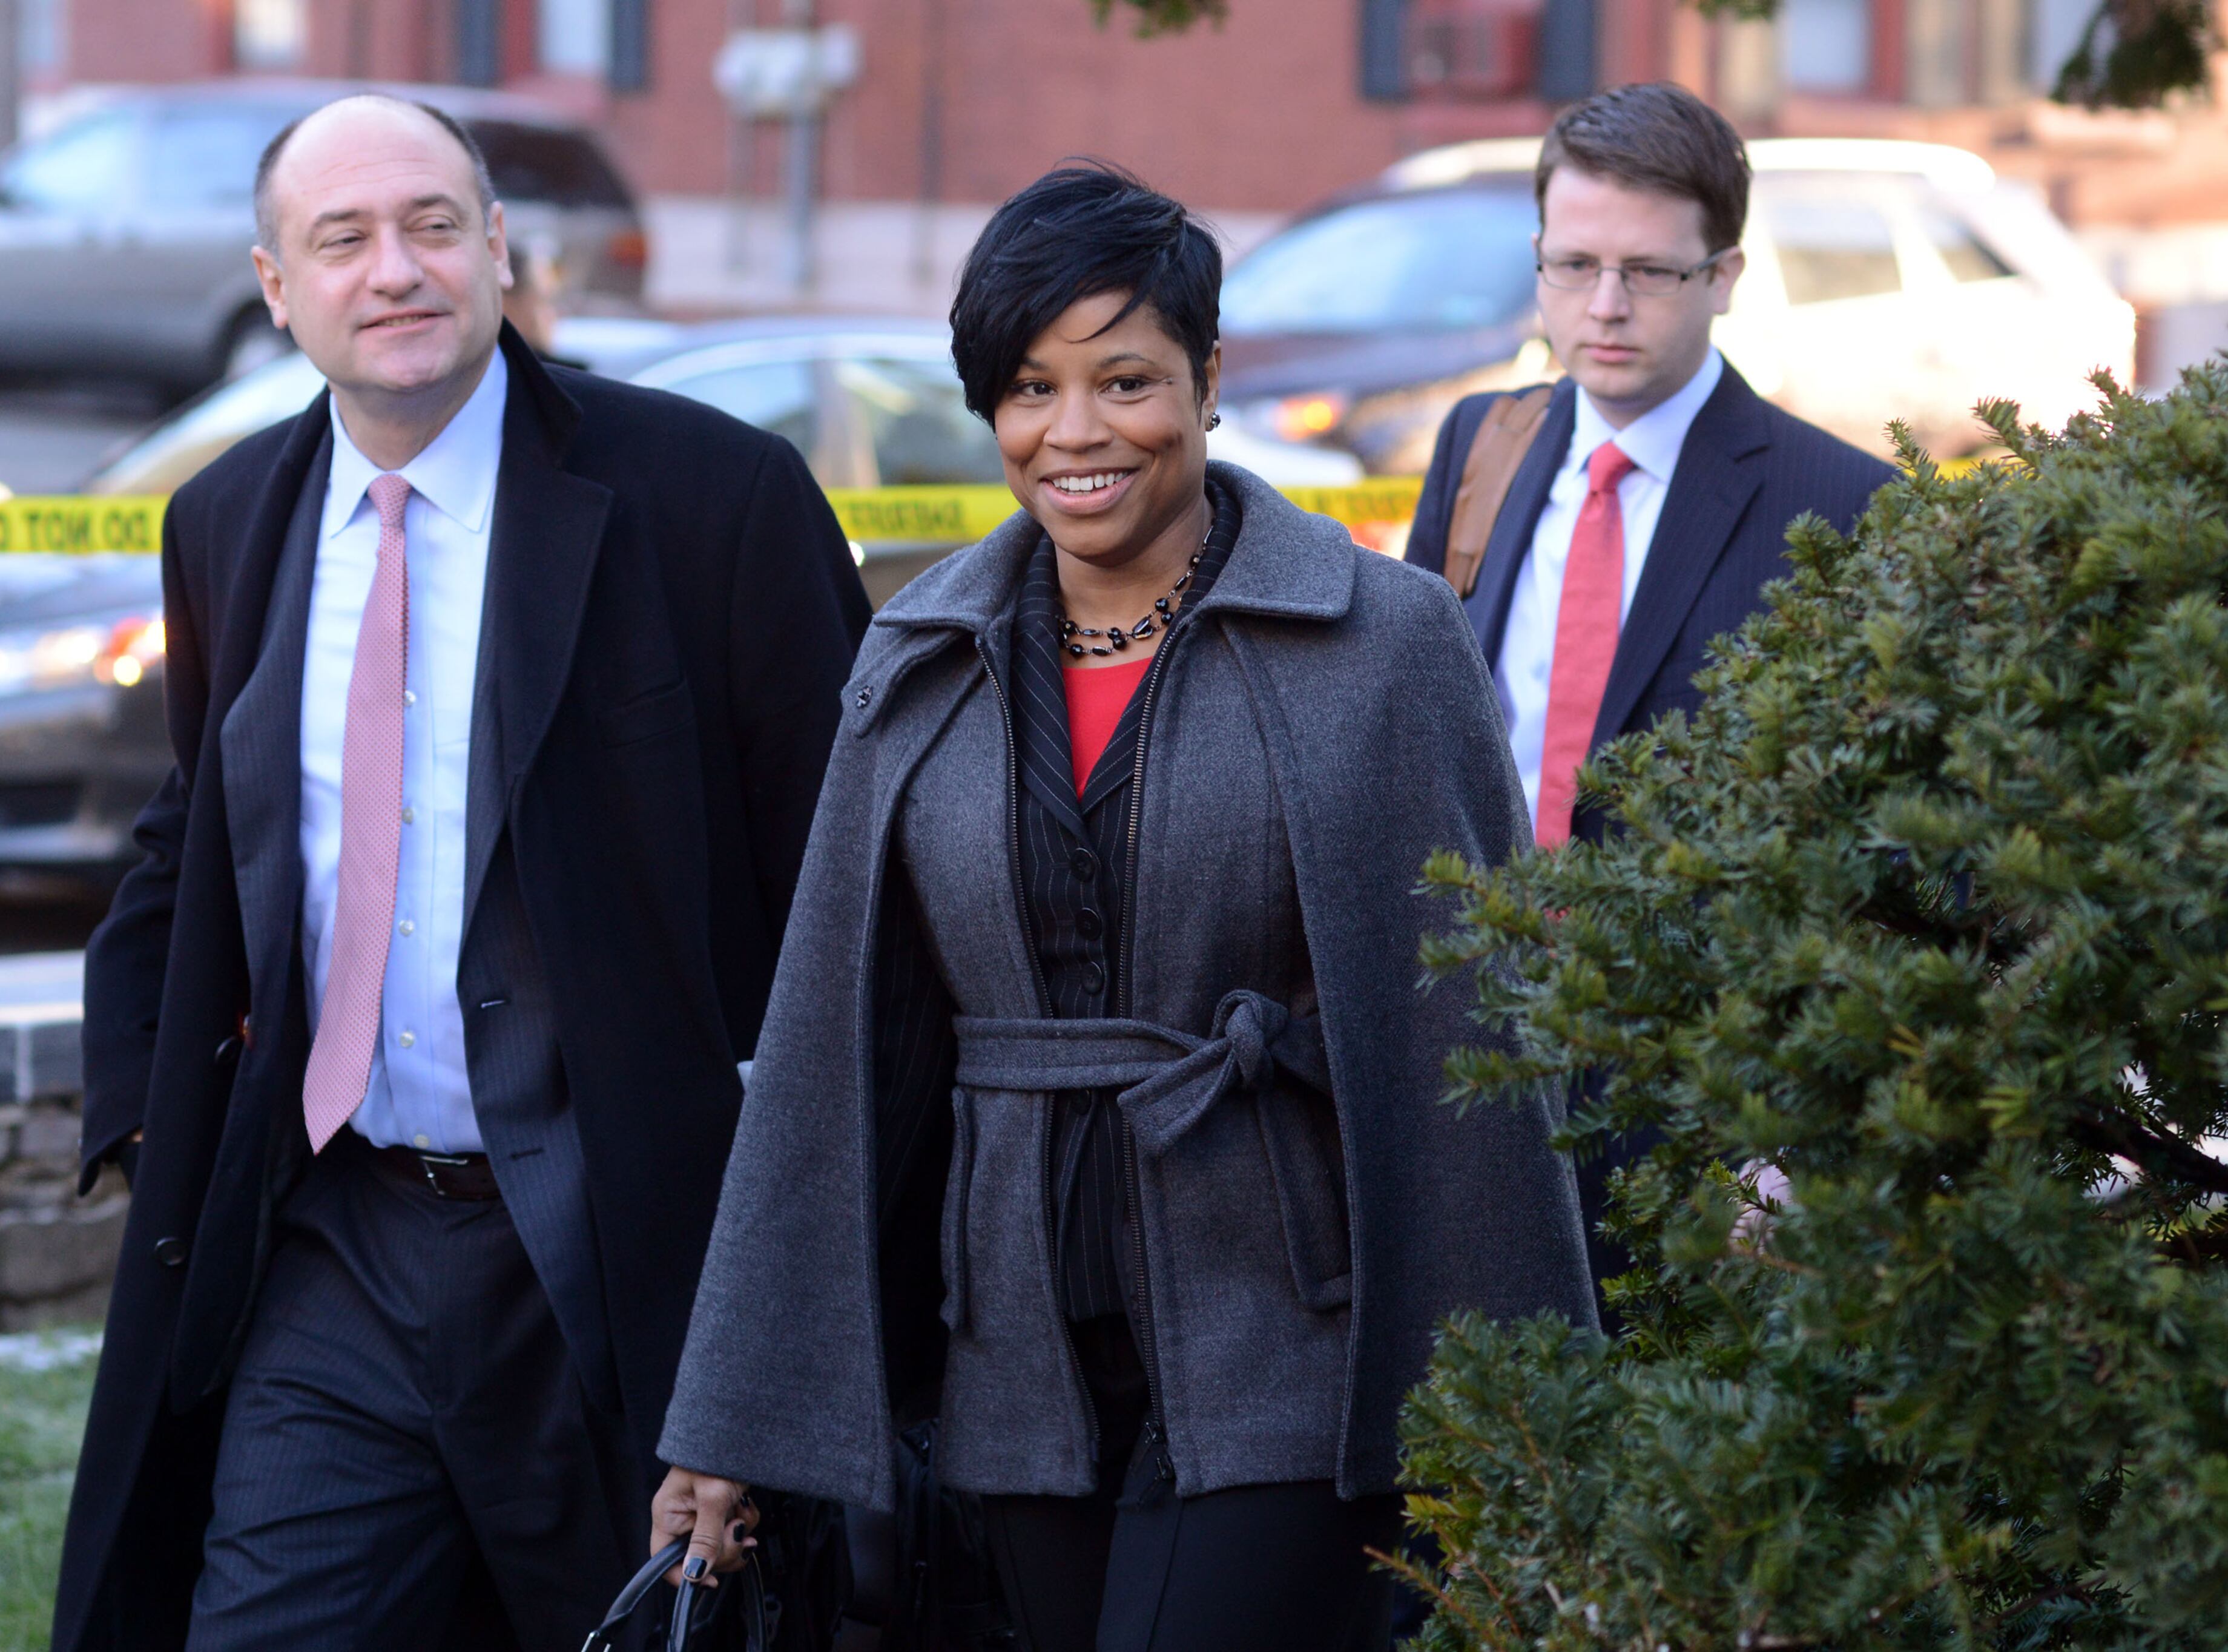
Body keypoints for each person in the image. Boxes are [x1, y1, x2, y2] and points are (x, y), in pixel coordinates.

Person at [648, 163, 1597, 1652]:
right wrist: (735, 1412)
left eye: (1126, 379)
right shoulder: (917, 655)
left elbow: (1471, 1053)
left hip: (1294, 1348)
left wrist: (1531, 1429)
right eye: (1029, 388)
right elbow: (829, 1055)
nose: (1075, 433)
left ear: (1209, 381)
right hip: (1016, 1363)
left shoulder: (1386, 643)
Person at [53, 94, 869, 1651]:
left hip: (623, 1252)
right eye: (342, 239)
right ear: (277, 288)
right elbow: (196, 835)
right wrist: (146, 1108)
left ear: (499, 248)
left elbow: (851, 900)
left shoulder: (716, 500)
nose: (397, 269)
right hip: (335, 1239)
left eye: (434, 224)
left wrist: (774, 1334)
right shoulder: (228, 520)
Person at [1401, 82, 1894, 1296]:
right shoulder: (1482, 445)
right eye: (1574, 265)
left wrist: (1791, 1134)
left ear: (1724, 274)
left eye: (1650, 272)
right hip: (1479, 1036)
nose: (1606, 307)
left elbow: (1867, 846)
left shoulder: (1839, 508)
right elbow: (1411, 733)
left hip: (1699, 1075)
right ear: (1537, 260)